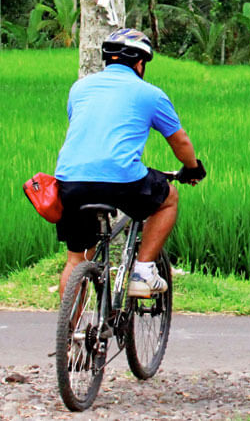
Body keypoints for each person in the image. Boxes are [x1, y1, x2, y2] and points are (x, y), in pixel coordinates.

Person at [54, 28, 205, 299]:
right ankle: (143, 270)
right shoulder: (150, 94)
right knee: (169, 197)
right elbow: (180, 142)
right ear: (139, 63)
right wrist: (192, 168)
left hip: (69, 180)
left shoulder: (79, 89)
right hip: (121, 180)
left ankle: (68, 339)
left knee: (76, 259)